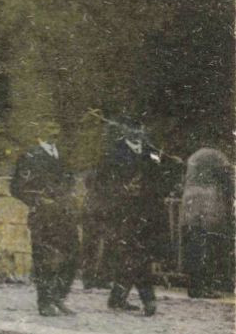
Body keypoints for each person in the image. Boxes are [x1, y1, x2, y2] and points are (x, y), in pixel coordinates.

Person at [95, 121, 169, 315]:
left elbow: (162, 176)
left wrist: (154, 191)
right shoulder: (113, 152)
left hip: (146, 213)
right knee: (136, 256)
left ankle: (116, 298)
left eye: (140, 127)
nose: (137, 132)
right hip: (122, 213)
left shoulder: (152, 151)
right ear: (124, 130)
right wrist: (120, 190)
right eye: (132, 127)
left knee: (132, 256)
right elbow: (98, 182)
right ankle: (148, 300)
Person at [9, 125, 79, 316]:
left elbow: (70, 181)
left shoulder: (62, 155)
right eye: (49, 129)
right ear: (39, 133)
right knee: (44, 259)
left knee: (72, 256)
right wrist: (36, 201)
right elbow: (16, 187)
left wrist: (69, 198)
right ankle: (45, 302)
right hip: (43, 215)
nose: (54, 133)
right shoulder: (30, 156)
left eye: (56, 129)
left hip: (64, 214)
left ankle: (58, 296)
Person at [181, 147, 234, 298]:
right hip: (209, 204)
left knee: (194, 246)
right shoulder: (219, 156)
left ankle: (194, 287)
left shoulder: (194, 155)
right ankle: (205, 287)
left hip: (190, 203)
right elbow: (229, 182)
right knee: (209, 247)